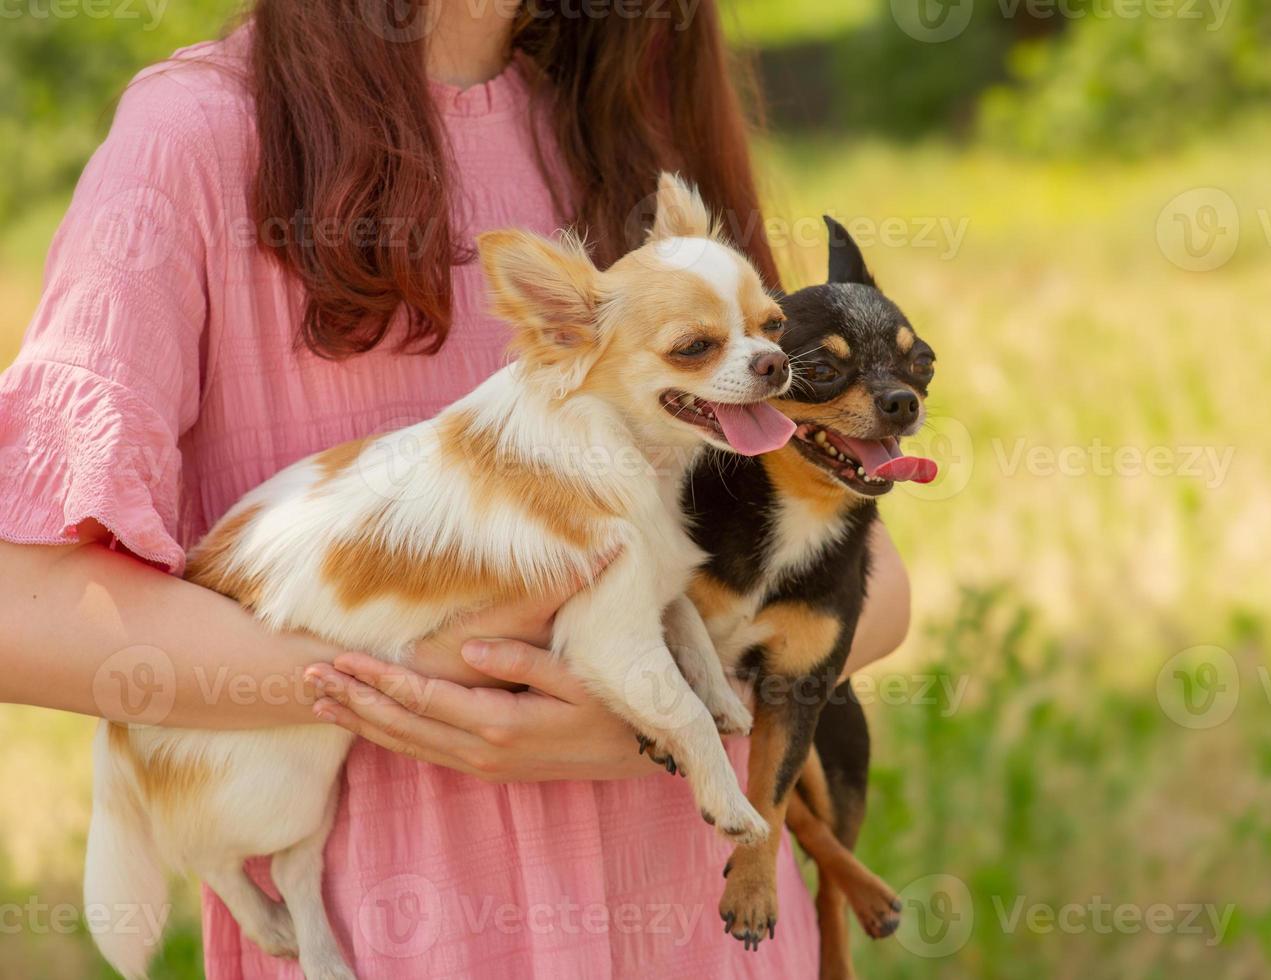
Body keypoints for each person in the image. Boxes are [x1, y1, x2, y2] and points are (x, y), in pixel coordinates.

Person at [0, 1, 912, 974]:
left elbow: (869, 582)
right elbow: (27, 607)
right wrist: (419, 669)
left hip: (705, 920)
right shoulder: (194, 139)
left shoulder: (631, 118)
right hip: (404, 930)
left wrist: (652, 717)